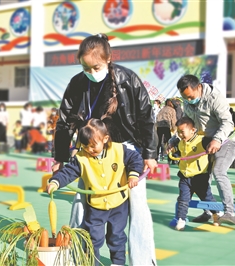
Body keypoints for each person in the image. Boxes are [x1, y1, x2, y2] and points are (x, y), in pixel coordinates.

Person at [52, 33, 157, 265]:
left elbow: (146, 117)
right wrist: (59, 157)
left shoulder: (127, 79)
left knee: (137, 205)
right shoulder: (77, 83)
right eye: (85, 68)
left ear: (108, 59)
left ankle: (142, 260)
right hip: (91, 150)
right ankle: (80, 256)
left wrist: (149, 154)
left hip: (125, 150)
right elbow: (63, 120)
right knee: (82, 201)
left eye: (95, 67)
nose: (90, 72)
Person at [47, 118, 142, 266]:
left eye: (92, 145)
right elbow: (69, 172)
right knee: (92, 238)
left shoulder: (118, 150)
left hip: (118, 204)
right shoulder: (81, 158)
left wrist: (133, 174)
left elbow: (135, 158)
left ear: (105, 139)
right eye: (85, 146)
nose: (89, 150)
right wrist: (55, 181)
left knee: (116, 236)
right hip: (96, 205)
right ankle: (92, 262)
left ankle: (118, 263)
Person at [176, 74, 235, 225]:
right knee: (202, 177)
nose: (189, 100)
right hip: (204, 143)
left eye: (191, 96)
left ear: (199, 87)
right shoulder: (188, 101)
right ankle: (208, 212)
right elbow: (187, 125)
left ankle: (230, 212)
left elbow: (227, 122)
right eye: (185, 98)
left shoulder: (215, 98)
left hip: (225, 141)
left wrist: (217, 139)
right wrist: (173, 140)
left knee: (218, 171)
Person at [169, 117, 219, 230]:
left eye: (182, 132)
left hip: (200, 176)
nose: (180, 135)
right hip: (185, 176)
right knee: (183, 199)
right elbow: (179, 155)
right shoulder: (180, 143)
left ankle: (216, 214)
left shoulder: (202, 140)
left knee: (207, 198)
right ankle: (181, 219)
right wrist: (173, 151)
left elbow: (214, 145)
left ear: (193, 130)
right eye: (179, 132)